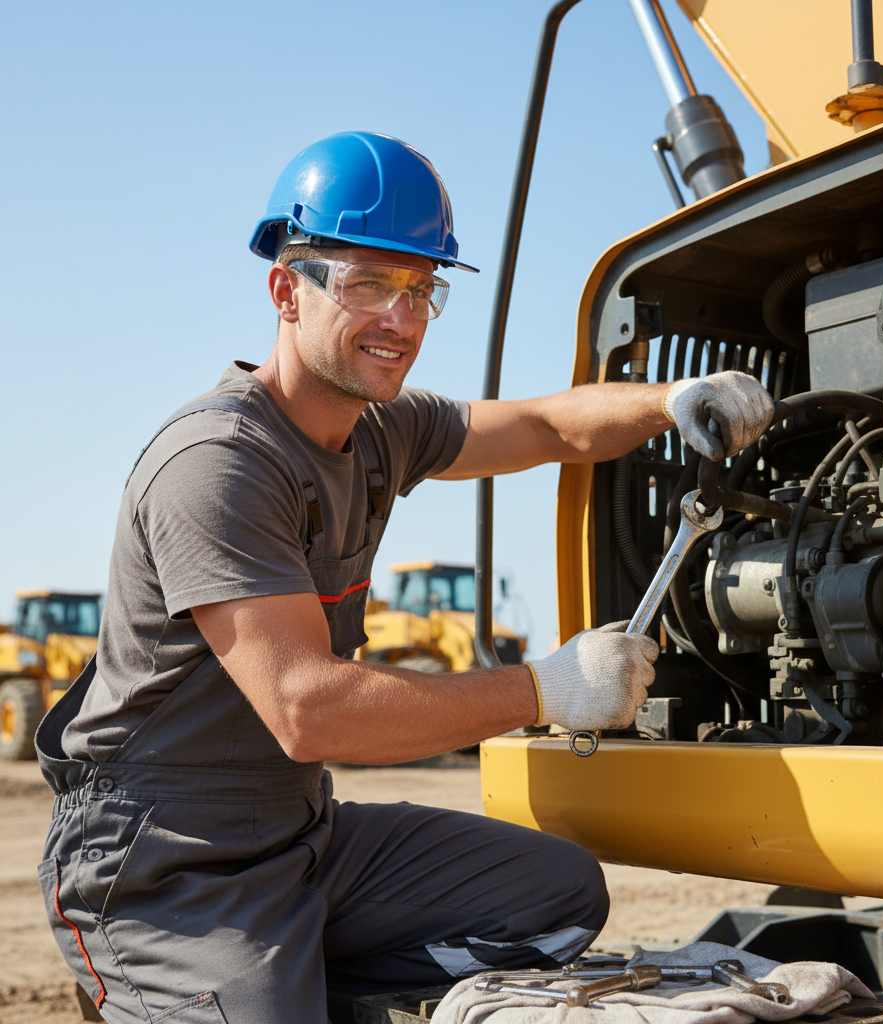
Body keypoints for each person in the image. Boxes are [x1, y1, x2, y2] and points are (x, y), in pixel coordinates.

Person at [35, 132, 774, 1024]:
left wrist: (670, 403)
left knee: (557, 893)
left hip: (299, 839)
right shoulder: (219, 462)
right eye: (367, 285)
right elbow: (309, 709)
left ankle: (284, 978)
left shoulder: (384, 429)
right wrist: (546, 686)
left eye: (422, 290)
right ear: (285, 289)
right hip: (162, 860)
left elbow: (546, 425)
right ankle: (172, 982)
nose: (402, 318)